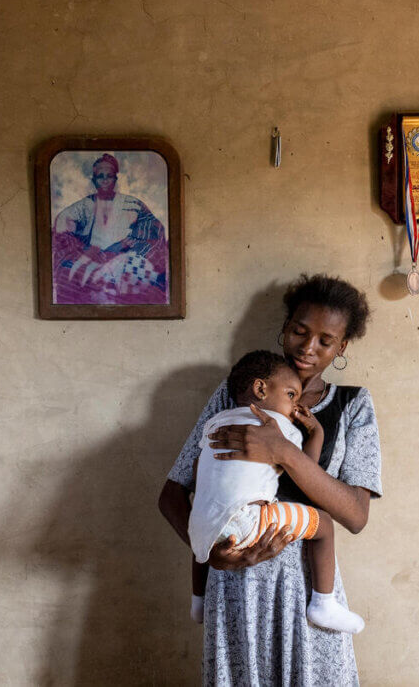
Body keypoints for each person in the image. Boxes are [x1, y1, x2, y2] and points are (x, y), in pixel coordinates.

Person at [159, 274, 381, 685]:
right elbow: (173, 493)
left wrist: (283, 451)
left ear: (342, 346)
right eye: (299, 331)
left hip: (311, 589)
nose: (307, 347)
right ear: (284, 327)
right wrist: (210, 552)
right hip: (235, 585)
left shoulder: (352, 406)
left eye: (325, 341)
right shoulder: (237, 395)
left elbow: (355, 515)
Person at [188, 350, 364, 635]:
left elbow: (198, 469)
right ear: (261, 389)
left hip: (202, 529)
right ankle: (324, 603)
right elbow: (304, 469)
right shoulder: (279, 428)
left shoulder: (216, 422)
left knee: (204, 521)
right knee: (324, 526)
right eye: (292, 395)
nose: (295, 407)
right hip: (250, 523)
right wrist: (315, 433)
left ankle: (198, 603)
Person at [51, 153, 168, 305]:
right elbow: (61, 227)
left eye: (109, 176)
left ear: (115, 179)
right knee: (70, 275)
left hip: (126, 259)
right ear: (94, 180)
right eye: (100, 176)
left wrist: (123, 251)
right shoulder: (84, 206)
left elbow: (154, 232)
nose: (105, 179)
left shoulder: (132, 204)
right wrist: (98, 251)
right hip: (92, 258)